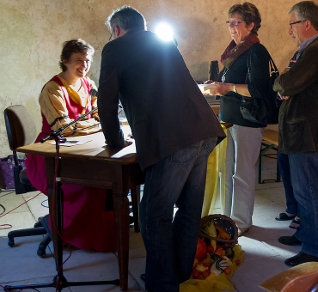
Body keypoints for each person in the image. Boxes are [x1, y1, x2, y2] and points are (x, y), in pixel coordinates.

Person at [98, 6, 225, 292]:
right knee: (189, 210)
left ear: (117, 30)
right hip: (203, 131)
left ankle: (162, 284)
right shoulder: (163, 41)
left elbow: (106, 103)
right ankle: (179, 274)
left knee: (154, 215)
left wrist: (116, 143)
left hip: (173, 140)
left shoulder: (114, 48)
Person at [25, 39, 117, 252]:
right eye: (78, 60)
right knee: (85, 183)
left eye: (87, 61)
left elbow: (98, 116)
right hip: (49, 154)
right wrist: (95, 125)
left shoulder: (89, 85)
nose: (84, 66)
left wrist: (95, 123)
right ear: (64, 61)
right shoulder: (52, 89)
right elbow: (63, 128)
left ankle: (101, 234)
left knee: (107, 176)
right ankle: (69, 232)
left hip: (79, 149)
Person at [274, 1, 318, 267]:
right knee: (301, 189)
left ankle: (313, 248)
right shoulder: (312, 49)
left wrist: (282, 82)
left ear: (306, 24)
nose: (290, 31)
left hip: (306, 131)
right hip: (298, 130)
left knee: (308, 190)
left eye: (292, 24)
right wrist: (286, 84)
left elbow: (286, 82)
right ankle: (304, 234)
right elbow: (290, 84)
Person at [205, 2, 275, 236]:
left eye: (236, 23)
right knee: (227, 171)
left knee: (242, 173)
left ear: (251, 25)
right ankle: (227, 217)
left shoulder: (256, 51)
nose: (231, 28)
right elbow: (228, 83)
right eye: (229, 22)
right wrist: (216, 86)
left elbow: (258, 90)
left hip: (247, 120)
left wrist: (227, 87)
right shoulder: (234, 53)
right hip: (229, 119)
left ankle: (242, 221)